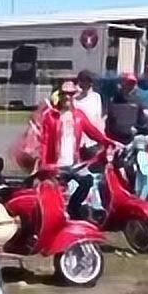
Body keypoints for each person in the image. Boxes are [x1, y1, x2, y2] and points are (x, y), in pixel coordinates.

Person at [29, 80, 120, 219]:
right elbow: (45, 142)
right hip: (56, 165)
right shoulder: (51, 117)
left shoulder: (79, 115)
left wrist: (109, 142)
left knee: (87, 181)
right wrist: (45, 165)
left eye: (70, 94)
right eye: (64, 94)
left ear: (74, 95)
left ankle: (74, 208)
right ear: (60, 95)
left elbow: (93, 132)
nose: (67, 97)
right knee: (55, 195)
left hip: (74, 164)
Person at [105, 74, 148, 144]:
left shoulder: (137, 100)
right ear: (122, 84)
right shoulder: (113, 100)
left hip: (131, 141)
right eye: (128, 83)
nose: (130, 86)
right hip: (114, 141)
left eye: (133, 84)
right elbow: (107, 119)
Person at [71, 69, 106, 161]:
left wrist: (102, 138)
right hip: (77, 142)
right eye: (84, 81)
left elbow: (98, 118)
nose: (88, 84)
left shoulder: (96, 97)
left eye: (89, 81)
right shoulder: (73, 100)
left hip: (92, 141)